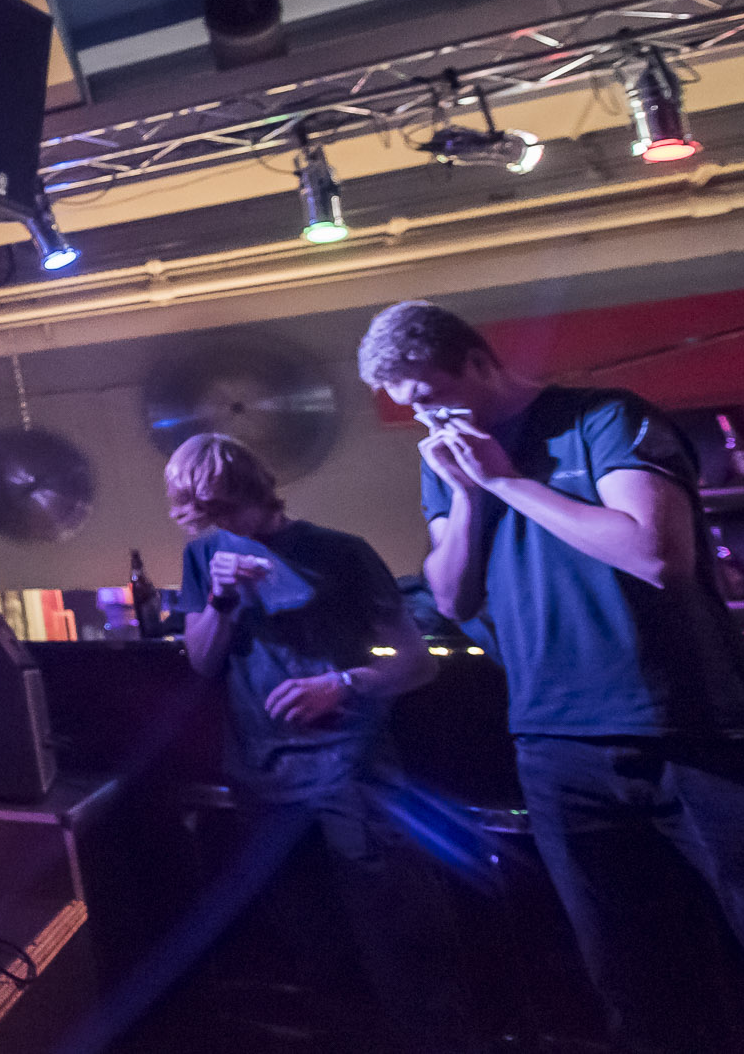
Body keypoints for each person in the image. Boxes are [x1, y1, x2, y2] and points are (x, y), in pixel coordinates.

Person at [359, 298, 744, 1052]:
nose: (429, 420)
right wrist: (467, 495)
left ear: (476, 361)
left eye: (433, 396)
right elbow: (451, 596)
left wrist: (507, 483)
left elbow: (655, 555)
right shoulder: (451, 464)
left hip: (687, 727)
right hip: (554, 742)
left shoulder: (603, 418)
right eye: (413, 410)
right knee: (630, 979)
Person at [168, 431, 475, 1054]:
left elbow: (417, 663)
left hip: (353, 779)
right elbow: (202, 662)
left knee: (402, 957)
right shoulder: (204, 557)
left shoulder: (340, 552)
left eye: (222, 509)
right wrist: (222, 600)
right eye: (202, 515)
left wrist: (342, 684)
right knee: (317, 959)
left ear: (254, 490)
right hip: (263, 783)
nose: (215, 525)